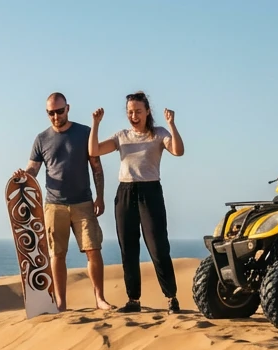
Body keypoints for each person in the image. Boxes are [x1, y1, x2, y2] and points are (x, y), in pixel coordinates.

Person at [88, 92, 184, 313]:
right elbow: (93, 151)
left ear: (147, 111)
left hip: (150, 191)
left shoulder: (159, 134)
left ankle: (171, 298)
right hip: (125, 192)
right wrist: (95, 124)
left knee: (158, 247)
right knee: (128, 248)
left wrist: (171, 124)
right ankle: (134, 300)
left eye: (138, 111)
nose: (134, 115)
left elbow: (178, 151)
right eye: (130, 112)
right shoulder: (121, 136)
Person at [17, 92, 111, 312]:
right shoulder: (41, 139)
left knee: (93, 249)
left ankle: (99, 298)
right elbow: (33, 169)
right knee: (56, 255)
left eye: (60, 111)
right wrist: (23, 175)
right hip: (54, 205)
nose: (56, 116)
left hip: (83, 203)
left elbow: (96, 167)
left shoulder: (84, 132)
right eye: (51, 113)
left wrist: (100, 196)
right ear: (47, 113)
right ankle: (61, 302)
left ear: (68, 108)